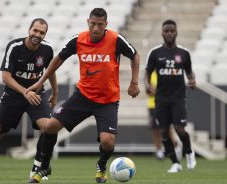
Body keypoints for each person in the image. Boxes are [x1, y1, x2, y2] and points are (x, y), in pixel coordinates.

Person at [26, 8, 140, 183]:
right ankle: (44, 168)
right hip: (83, 97)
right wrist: (41, 82)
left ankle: (101, 166)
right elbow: (58, 59)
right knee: (49, 127)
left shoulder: (116, 40)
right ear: (88, 22)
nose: (95, 28)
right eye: (92, 24)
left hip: (107, 101)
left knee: (108, 142)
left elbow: (135, 55)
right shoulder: (78, 40)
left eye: (100, 25)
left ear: (106, 25)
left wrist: (134, 82)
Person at [0, 18, 58, 181]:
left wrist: (55, 93)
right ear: (29, 30)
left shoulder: (47, 50)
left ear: (45, 35)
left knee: (48, 128)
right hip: (13, 95)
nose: (37, 34)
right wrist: (25, 92)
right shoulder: (14, 47)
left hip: (36, 95)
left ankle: (37, 168)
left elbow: (51, 71)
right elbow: (5, 77)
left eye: (42, 32)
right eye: (35, 30)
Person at [144, 19, 196, 173]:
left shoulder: (184, 53)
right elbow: (147, 72)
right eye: (166, 31)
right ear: (162, 33)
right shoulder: (155, 53)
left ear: (176, 32)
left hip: (178, 98)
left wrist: (192, 79)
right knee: (164, 132)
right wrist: (147, 85)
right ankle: (175, 163)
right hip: (161, 98)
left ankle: (189, 152)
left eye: (172, 30)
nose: (169, 33)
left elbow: (189, 71)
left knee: (180, 129)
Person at [147, 70, 182, 160]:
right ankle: (158, 151)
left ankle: (176, 147)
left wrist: (157, 90)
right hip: (153, 105)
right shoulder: (151, 74)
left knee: (167, 128)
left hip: (164, 104)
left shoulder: (166, 72)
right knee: (155, 129)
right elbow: (149, 91)